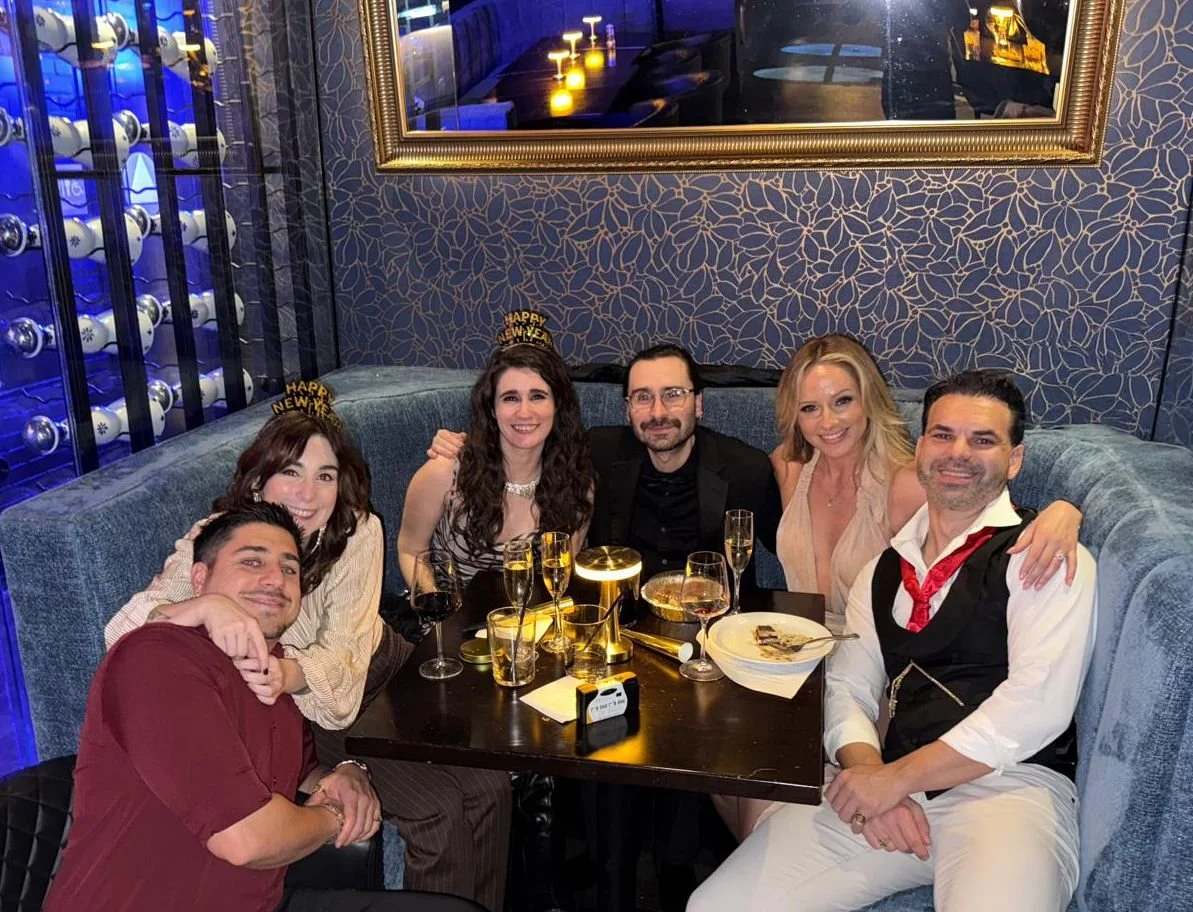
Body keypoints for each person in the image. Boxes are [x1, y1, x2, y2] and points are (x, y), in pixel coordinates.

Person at [688, 369, 1097, 912]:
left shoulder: (1043, 555)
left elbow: (1035, 708)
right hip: (894, 782)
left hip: (1009, 792)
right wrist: (867, 776)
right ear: (921, 445)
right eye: (942, 434)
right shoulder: (881, 569)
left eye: (983, 440)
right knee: (718, 905)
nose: (958, 452)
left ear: (1014, 460)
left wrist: (893, 779)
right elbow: (850, 688)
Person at [102, 384, 504, 911]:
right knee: (438, 811)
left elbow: (344, 657)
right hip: (316, 709)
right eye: (290, 472)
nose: (308, 496)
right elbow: (122, 636)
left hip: (374, 670)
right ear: (258, 479)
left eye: (325, 476)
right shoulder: (222, 538)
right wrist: (199, 608)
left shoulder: (358, 531)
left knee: (491, 784)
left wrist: (287, 671)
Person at [46, 502, 443, 911]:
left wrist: (348, 774)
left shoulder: (273, 670)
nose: (275, 579)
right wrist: (335, 819)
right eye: (252, 561)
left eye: (290, 569)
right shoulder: (158, 658)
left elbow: (302, 771)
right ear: (199, 579)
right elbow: (247, 840)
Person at [428, 342, 780, 583]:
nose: (658, 412)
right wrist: (462, 443)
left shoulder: (746, 470)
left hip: (711, 630)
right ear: (627, 408)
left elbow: (791, 547)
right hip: (619, 627)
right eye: (643, 398)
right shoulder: (595, 452)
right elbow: (527, 435)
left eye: (673, 395)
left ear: (698, 403)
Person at [398, 310, 594, 584]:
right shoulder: (445, 472)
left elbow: (564, 580)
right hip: (453, 619)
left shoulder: (577, 485)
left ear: (557, 405)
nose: (524, 412)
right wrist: (437, 612)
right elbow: (411, 550)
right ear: (492, 408)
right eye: (510, 398)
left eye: (537, 396)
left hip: (536, 622)